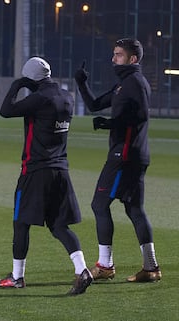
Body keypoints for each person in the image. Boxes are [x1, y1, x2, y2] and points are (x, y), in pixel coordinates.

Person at [0, 57, 93, 295]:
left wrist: (17, 86)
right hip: (61, 170)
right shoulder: (67, 96)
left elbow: (5, 111)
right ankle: (82, 270)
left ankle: (17, 277)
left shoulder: (38, 99)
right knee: (59, 225)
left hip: (35, 171)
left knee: (21, 222)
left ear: (30, 78)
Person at [74, 38, 161, 282]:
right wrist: (82, 83)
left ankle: (105, 265)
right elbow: (94, 105)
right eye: (113, 54)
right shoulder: (124, 84)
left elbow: (142, 115)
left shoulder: (135, 83)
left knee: (99, 205)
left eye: (118, 55)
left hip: (124, 155)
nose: (113, 59)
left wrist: (111, 123)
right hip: (133, 154)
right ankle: (151, 268)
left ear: (133, 59)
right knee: (134, 209)